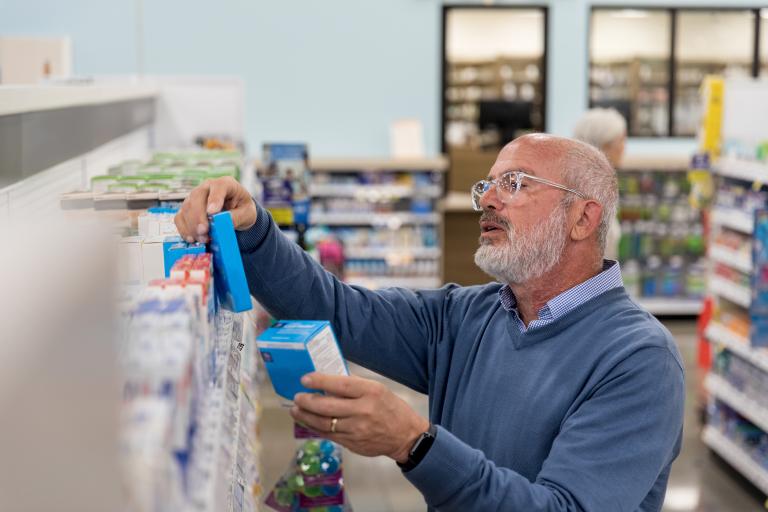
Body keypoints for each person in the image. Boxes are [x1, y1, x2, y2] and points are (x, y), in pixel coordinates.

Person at [175, 133, 684, 512]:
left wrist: (415, 444)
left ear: (583, 218)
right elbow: (339, 309)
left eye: (516, 184)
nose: (487, 198)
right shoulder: (467, 315)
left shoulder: (638, 360)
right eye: (487, 184)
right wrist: (253, 230)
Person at [573, 108, 627, 261]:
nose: (624, 147)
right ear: (605, 145)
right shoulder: (588, 189)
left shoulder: (599, 183)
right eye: (621, 140)